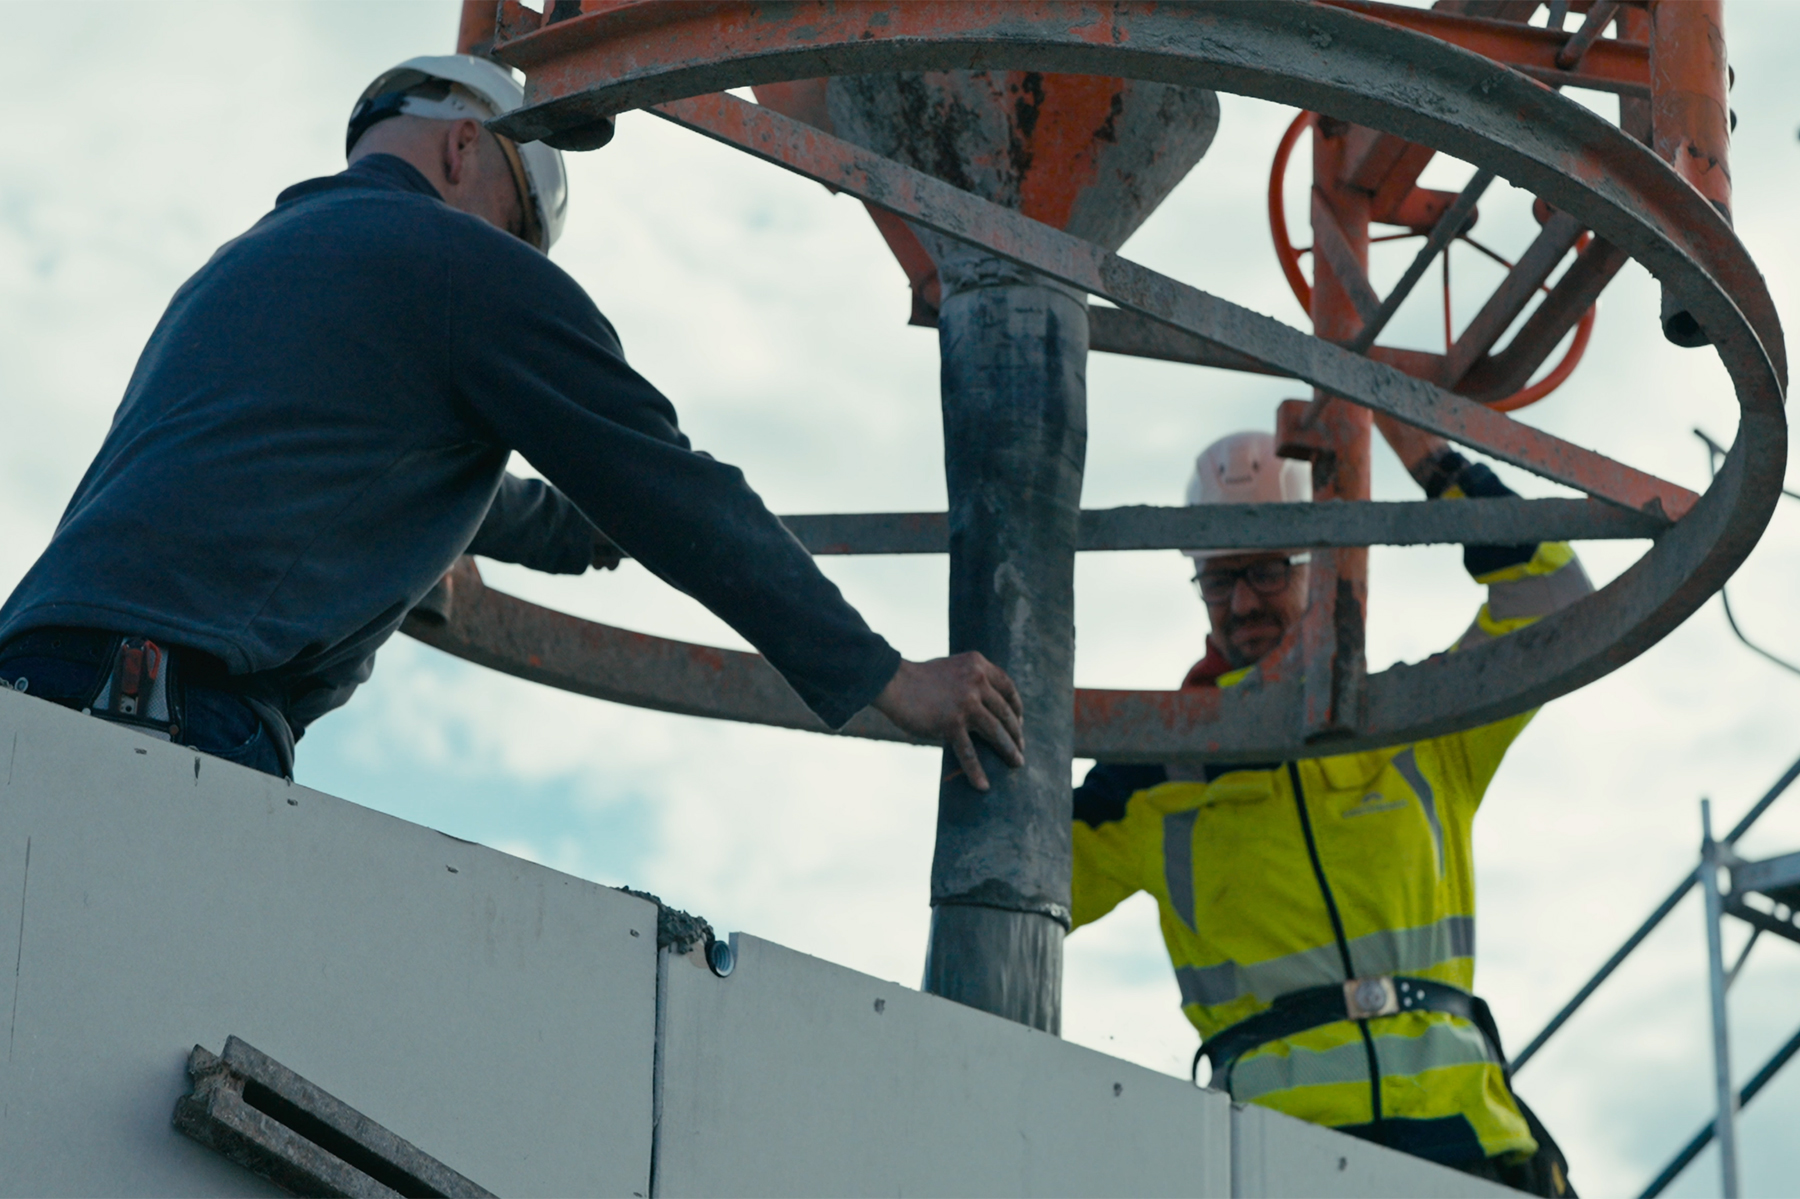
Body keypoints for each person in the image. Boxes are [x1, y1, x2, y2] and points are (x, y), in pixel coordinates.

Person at [0, 54, 1024, 787]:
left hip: (37, 685)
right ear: (462, 149)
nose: (521, 256)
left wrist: (587, 532)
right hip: (167, 723)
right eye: (523, 230)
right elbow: (668, 485)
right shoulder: (462, 265)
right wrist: (886, 676)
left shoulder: (245, 272)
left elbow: (401, 474)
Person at [1070, 418, 1591, 1196]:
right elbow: (1011, 876)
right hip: (1275, 1164)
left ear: (1321, 563)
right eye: (1220, 578)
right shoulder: (1149, 775)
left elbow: (1555, 603)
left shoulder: (1416, 724)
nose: (1242, 600)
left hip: (1470, 1153)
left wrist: (1423, 444)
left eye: (1268, 570)